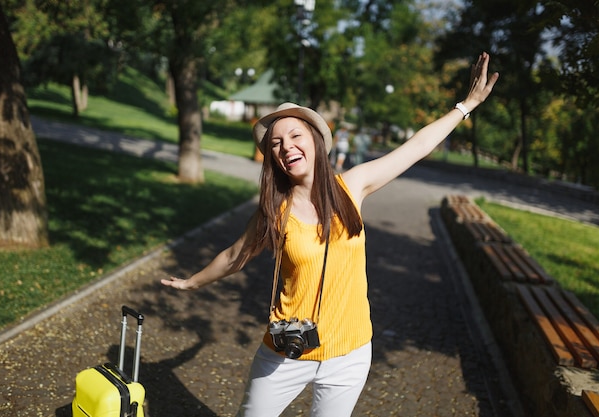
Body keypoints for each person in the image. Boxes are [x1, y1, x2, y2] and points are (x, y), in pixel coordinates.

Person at [161, 52, 499, 417]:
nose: (286, 146)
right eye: (276, 143)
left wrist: (466, 106)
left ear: (316, 142)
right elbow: (234, 255)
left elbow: (415, 147)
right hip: (287, 350)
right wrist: (192, 283)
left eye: (295, 135)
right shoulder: (275, 212)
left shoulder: (351, 187)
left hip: (350, 355)